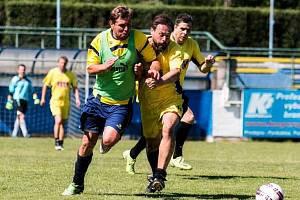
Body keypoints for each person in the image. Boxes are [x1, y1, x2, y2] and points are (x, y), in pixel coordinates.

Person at [62, 5, 160, 196]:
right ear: (111, 24)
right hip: (98, 101)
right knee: (86, 143)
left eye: (128, 25)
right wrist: (103, 67)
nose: (126, 29)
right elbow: (90, 68)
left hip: (121, 104)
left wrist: (152, 69)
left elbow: (153, 58)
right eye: (122, 25)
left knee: (108, 139)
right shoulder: (100, 40)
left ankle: (108, 141)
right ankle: (77, 184)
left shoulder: (138, 38)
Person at [123, 13, 215, 174]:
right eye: (182, 29)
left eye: (188, 30)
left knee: (180, 121)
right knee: (155, 135)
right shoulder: (154, 42)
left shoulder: (191, 45)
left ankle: (175, 156)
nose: (185, 33)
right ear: (174, 29)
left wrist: (207, 64)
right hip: (149, 94)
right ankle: (133, 154)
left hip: (173, 92)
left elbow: (201, 68)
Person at [138, 14, 184, 193]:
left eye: (167, 34)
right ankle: (155, 176)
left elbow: (175, 71)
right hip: (147, 102)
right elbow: (134, 71)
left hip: (170, 99)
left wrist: (159, 81)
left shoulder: (174, 48)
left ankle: (160, 174)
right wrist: (139, 72)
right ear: (152, 31)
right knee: (151, 143)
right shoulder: (141, 47)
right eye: (160, 34)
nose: (164, 38)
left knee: (168, 128)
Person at [40, 56, 80, 151]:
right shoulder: (53, 72)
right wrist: (42, 98)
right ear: (58, 63)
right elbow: (45, 85)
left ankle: (60, 144)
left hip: (65, 103)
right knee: (58, 121)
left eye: (64, 63)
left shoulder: (70, 75)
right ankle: (56, 141)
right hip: (55, 101)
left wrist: (77, 99)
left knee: (62, 123)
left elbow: (75, 87)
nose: (63, 64)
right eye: (61, 63)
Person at [6, 64, 39, 138]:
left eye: (23, 69)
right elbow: (11, 91)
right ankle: (26, 134)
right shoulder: (15, 79)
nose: (22, 71)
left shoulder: (28, 80)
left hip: (25, 100)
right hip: (17, 99)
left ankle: (14, 134)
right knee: (21, 116)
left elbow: (32, 91)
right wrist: (9, 101)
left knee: (19, 117)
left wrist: (35, 98)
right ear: (18, 70)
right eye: (21, 69)